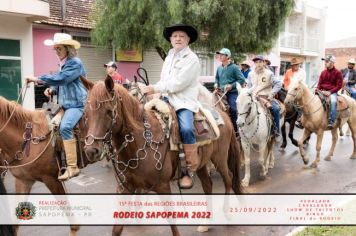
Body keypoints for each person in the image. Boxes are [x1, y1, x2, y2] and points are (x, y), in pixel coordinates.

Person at [141, 24, 200, 189]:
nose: (178, 38)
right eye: (175, 36)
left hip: (183, 101)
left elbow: (179, 83)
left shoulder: (192, 59)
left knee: (187, 129)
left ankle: (189, 170)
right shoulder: (169, 56)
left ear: (188, 39)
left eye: (182, 36)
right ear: (170, 39)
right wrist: (152, 89)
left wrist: (156, 88)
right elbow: (163, 79)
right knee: (144, 120)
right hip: (165, 98)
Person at [25, 33, 87, 181]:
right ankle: (55, 161)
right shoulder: (64, 64)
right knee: (47, 124)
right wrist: (53, 89)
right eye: (55, 49)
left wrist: (37, 79)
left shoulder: (75, 63)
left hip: (76, 104)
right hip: (64, 104)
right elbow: (62, 83)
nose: (56, 52)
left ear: (68, 49)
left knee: (65, 127)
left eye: (59, 48)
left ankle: (72, 167)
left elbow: (63, 78)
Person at [247, 55, 282, 137]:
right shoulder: (250, 74)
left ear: (263, 63)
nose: (258, 64)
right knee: (242, 108)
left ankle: (276, 129)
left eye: (260, 62)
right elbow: (248, 86)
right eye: (256, 62)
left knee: (276, 109)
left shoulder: (269, 73)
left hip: (265, 98)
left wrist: (272, 93)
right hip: (253, 97)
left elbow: (278, 83)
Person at [214, 48, 246, 134]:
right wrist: (216, 84)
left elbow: (242, 80)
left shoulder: (234, 67)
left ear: (228, 56)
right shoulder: (219, 68)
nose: (220, 56)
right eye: (219, 54)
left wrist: (231, 86)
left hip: (232, 93)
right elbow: (217, 78)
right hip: (220, 92)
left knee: (233, 109)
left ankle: (236, 131)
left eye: (222, 55)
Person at [317, 55, 343, 129]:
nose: (325, 63)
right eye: (325, 61)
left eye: (327, 61)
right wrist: (318, 90)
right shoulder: (323, 72)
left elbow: (339, 86)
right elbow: (319, 84)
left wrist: (330, 92)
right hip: (322, 91)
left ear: (332, 62)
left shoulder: (338, 73)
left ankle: (331, 121)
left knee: (333, 101)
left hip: (332, 92)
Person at [283, 57, 306, 128]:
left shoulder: (302, 72)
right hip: (289, 89)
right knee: (282, 98)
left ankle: (300, 118)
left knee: (301, 101)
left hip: (298, 88)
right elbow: (285, 80)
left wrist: (293, 88)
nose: (295, 66)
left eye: (296, 65)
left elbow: (301, 82)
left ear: (299, 65)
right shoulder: (288, 71)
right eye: (293, 65)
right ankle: (284, 114)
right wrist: (286, 87)